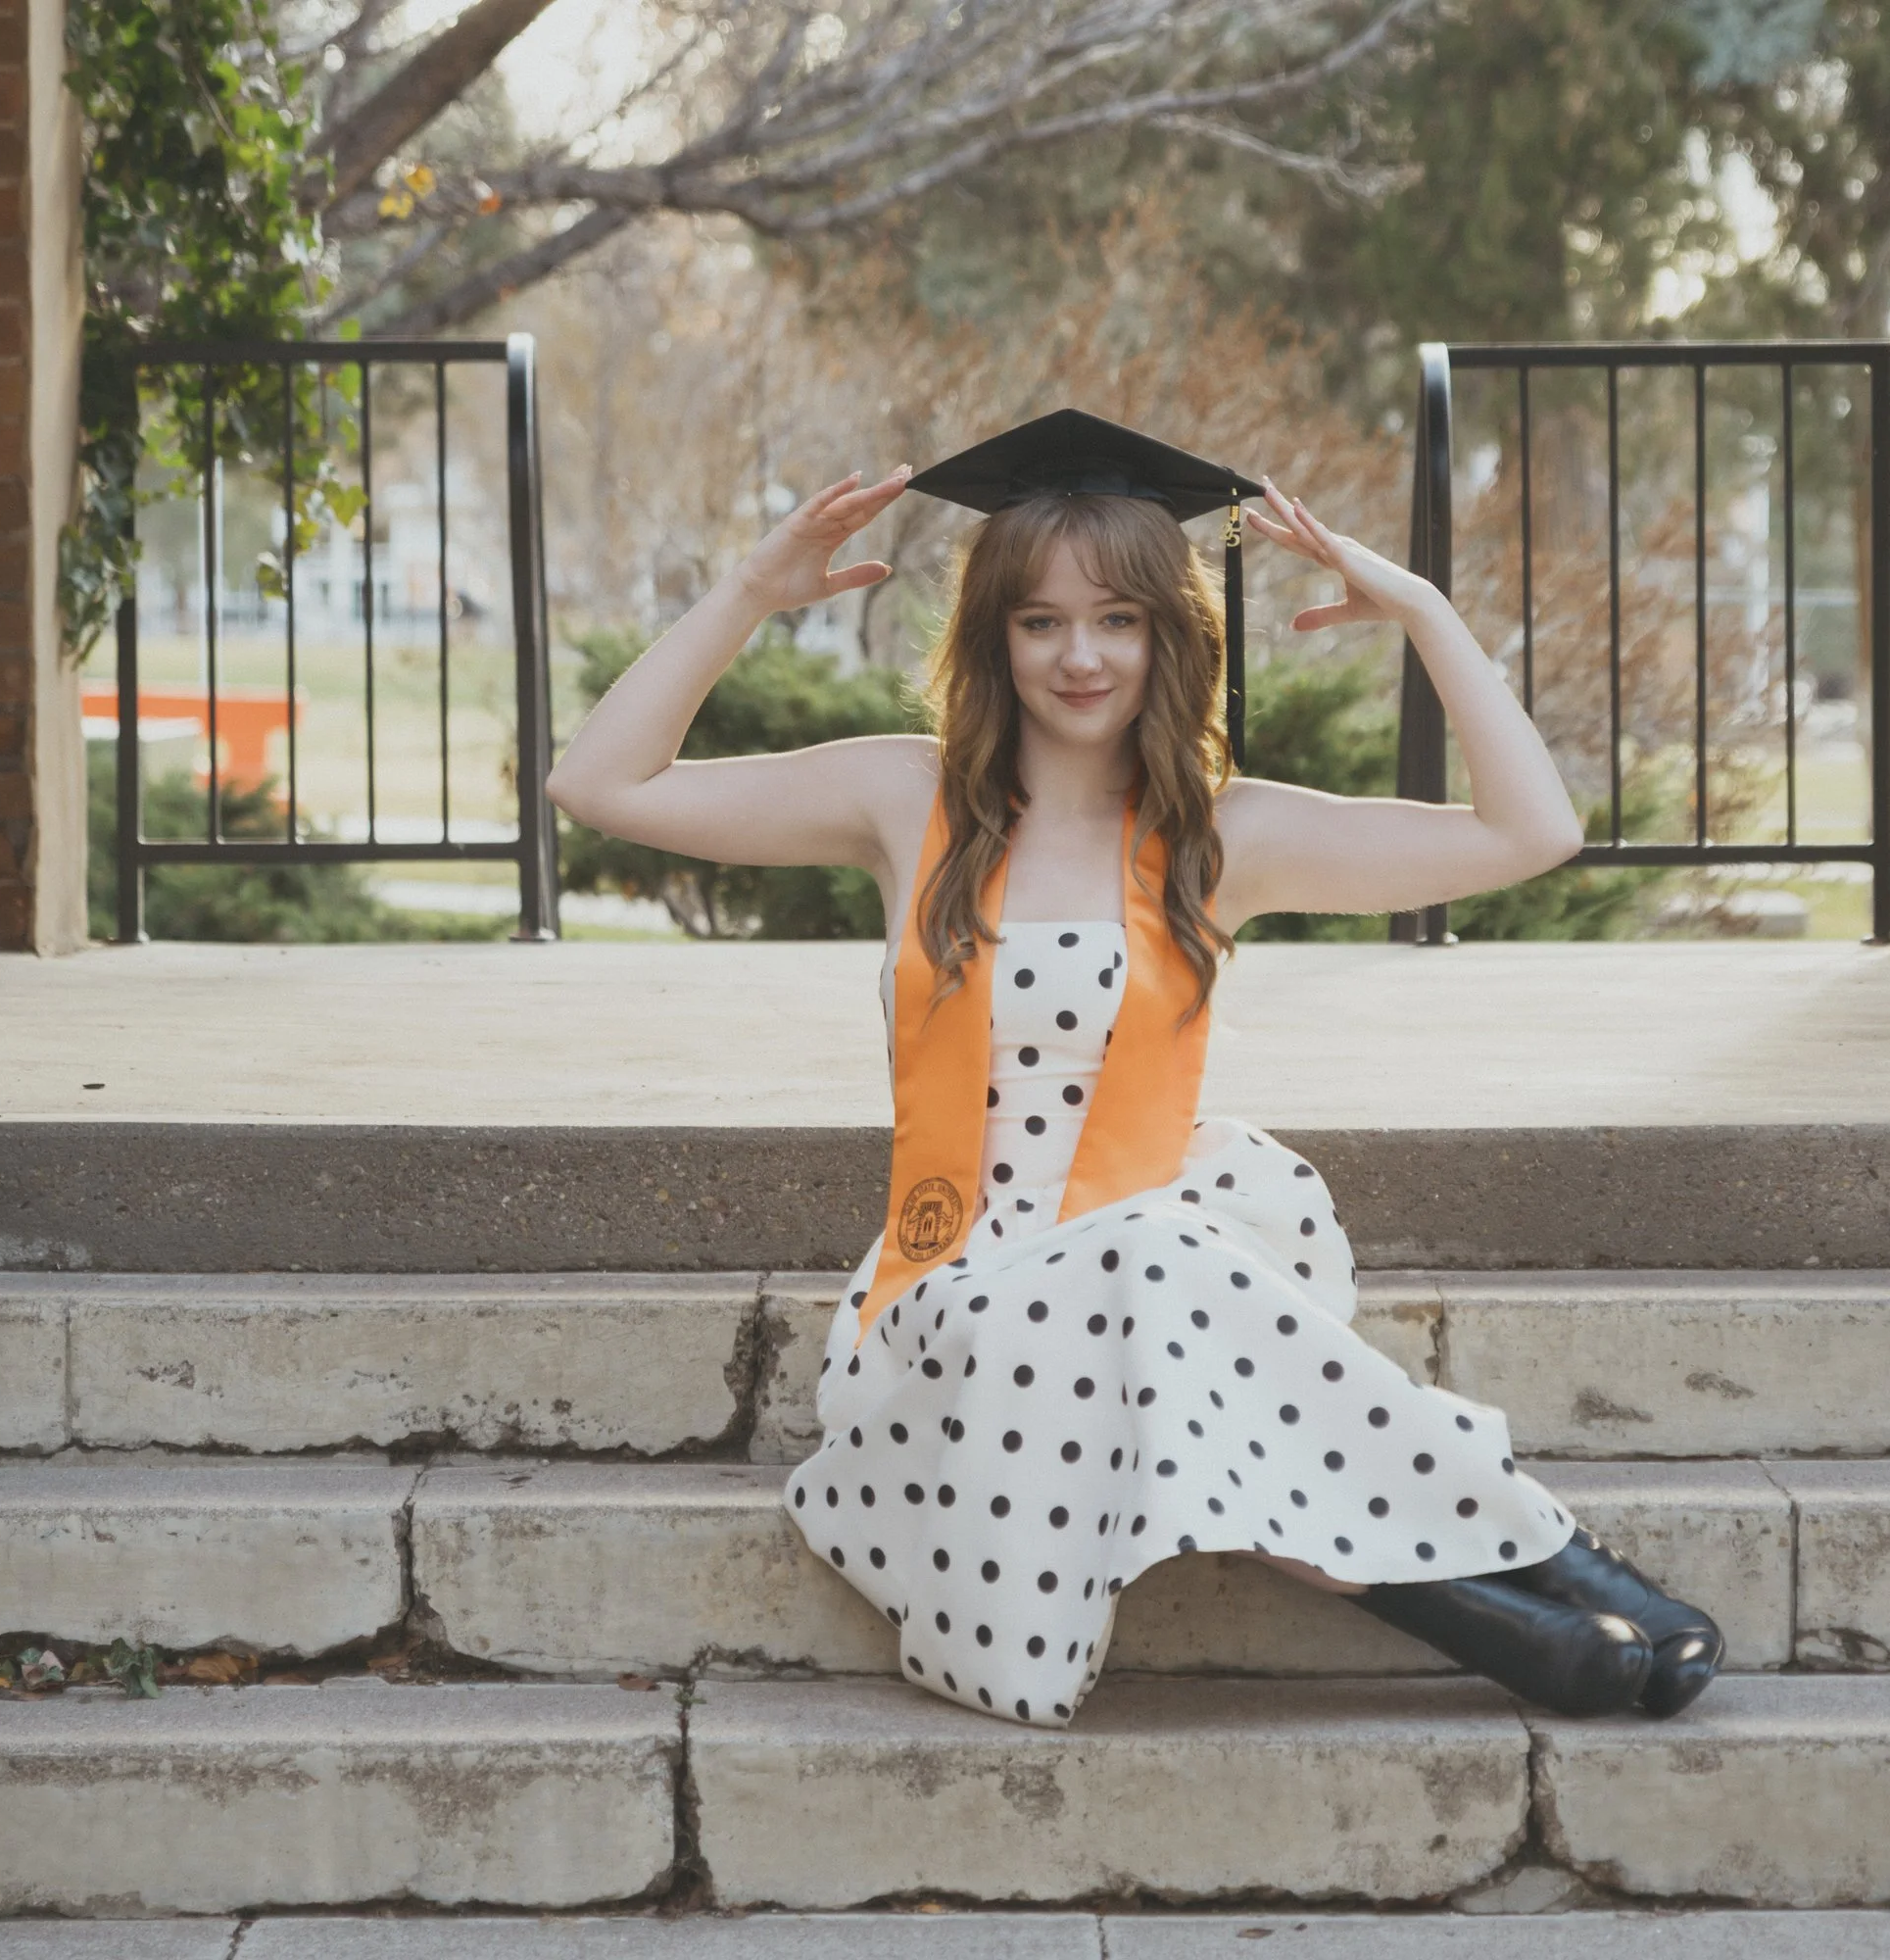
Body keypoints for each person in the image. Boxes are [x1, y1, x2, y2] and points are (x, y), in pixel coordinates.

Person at [548, 411, 1723, 1730]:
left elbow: (1534, 829)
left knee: (1148, 1251)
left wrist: (1420, 609)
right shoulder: (902, 799)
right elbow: (598, 782)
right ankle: (1537, 1578)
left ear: (1171, 635)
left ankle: (1544, 1614)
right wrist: (750, 593)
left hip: (1150, 1270)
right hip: (951, 1305)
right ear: (994, 638)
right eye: (1040, 621)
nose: (1080, 655)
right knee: (1146, 1254)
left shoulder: (1225, 835)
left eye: (1117, 619)